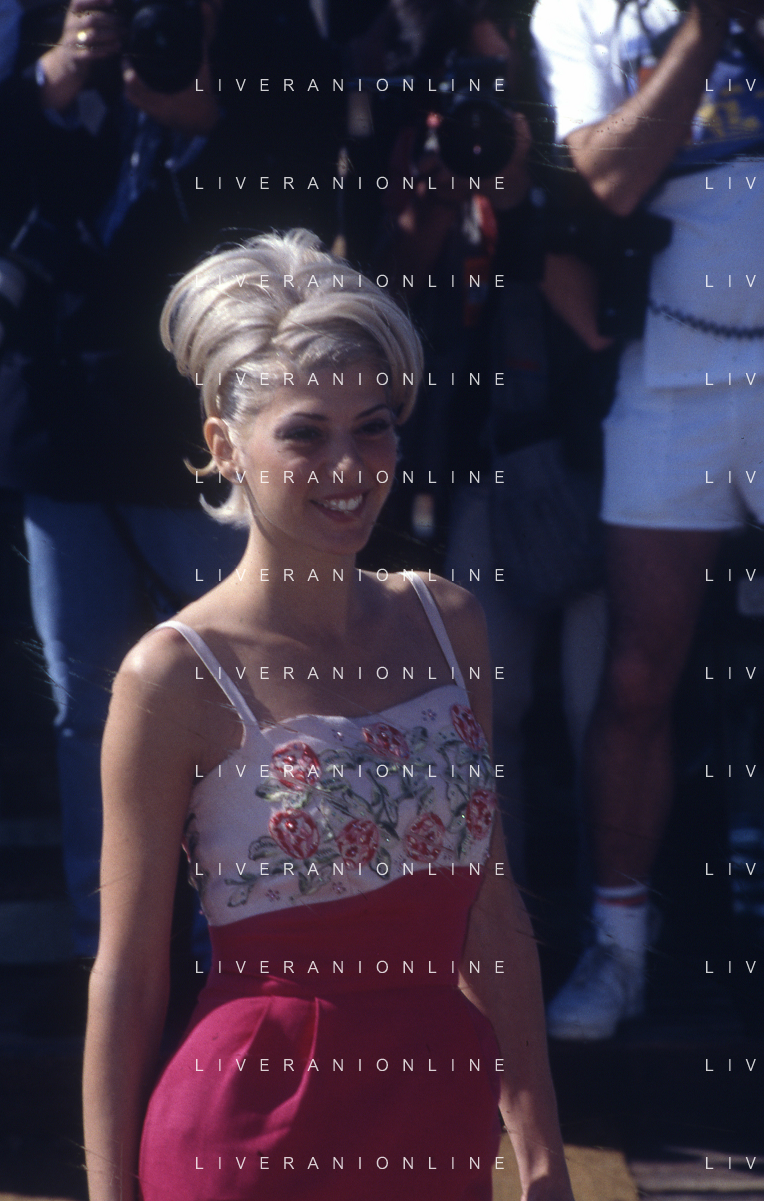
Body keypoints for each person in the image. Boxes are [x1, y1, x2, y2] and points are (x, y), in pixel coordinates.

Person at [82, 230, 574, 1201]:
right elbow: (129, 972)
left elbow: (491, 911)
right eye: (305, 433)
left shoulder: (449, 624)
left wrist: (545, 1157)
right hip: (248, 1135)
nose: (348, 465)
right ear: (225, 446)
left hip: (435, 1118)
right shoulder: (171, 674)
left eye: (373, 426)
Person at [531, 0, 764, 1039]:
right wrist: (705, 31)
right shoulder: (575, 11)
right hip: (669, 372)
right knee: (635, 675)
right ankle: (619, 946)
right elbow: (605, 178)